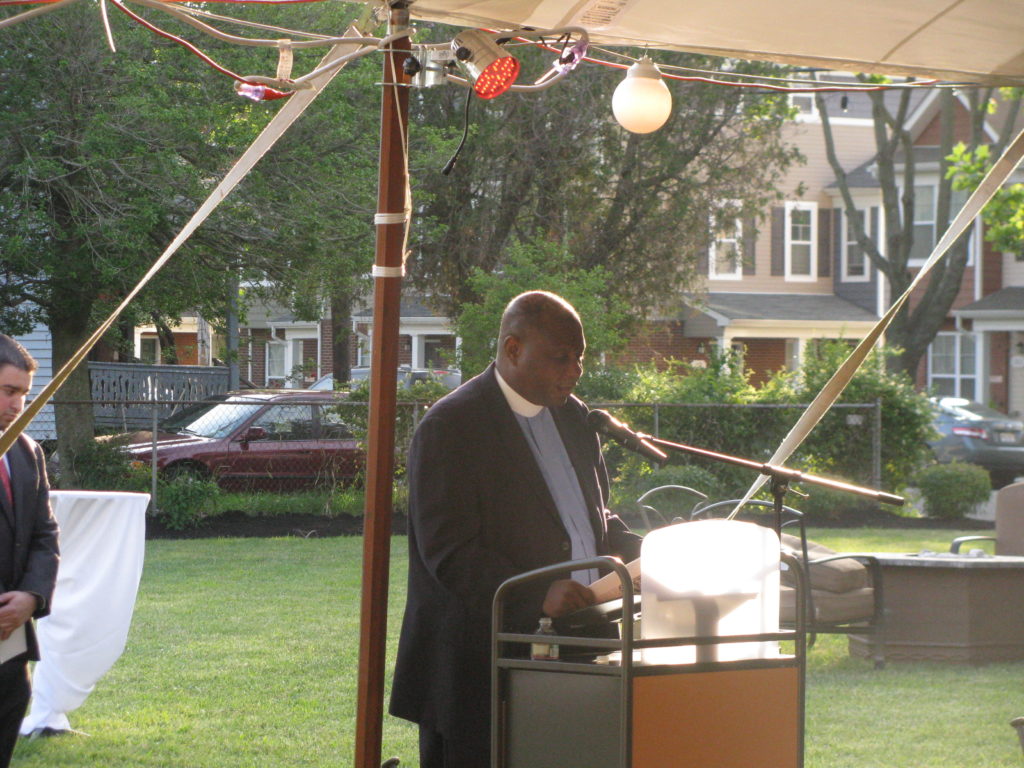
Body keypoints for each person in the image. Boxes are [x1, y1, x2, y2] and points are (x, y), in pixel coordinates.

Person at [390, 291, 641, 767]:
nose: (575, 371)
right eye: (560, 358)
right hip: (478, 672)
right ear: (512, 350)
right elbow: (449, 552)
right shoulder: (452, 425)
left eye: (580, 359)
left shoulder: (575, 417)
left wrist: (649, 551)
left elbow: (592, 517)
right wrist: (537, 594)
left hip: (577, 653)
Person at [0, 335, 59, 767]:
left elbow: (44, 534)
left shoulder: (26, 451)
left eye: (23, 393)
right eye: (8, 391)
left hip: (8, 645)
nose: (18, 404)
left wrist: (31, 596)